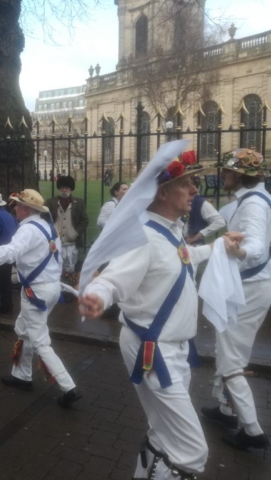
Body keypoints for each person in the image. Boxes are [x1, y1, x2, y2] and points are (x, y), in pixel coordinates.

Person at [79, 152, 242, 479]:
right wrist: (97, 295)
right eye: (187, 183)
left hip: (171, 349)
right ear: (164, 192)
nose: (195, 191)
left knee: (162, 432)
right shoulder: (143, 237)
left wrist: (217, 247)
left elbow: (184, 256)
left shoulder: (168, 230)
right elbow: (112, 278)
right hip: (153, 351)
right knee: (193, 451)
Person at [0, 189, 82, 407]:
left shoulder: (27, 230)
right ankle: (22, 375)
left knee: (39, 339)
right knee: (25, 329)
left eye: (16, 205)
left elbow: (11, 252)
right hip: (50, 288)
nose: (14, 209)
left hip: (36, 291)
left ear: (25, 209)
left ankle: (68, 387)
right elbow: (58, 259)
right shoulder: (49, 228)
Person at [201, 148, 271, 450]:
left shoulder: (254, 204)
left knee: (231, 361)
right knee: (223, 348)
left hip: (250, 289)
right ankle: (227, 411)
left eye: (227, 172)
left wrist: (239, 252)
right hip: (247, 287)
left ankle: (252, 431)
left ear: (240, 175)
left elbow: (255, 245)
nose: (222, 176)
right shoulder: (253, 199)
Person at [46, 175, 88, 293]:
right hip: (55, 241)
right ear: (59, 188)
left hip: (71, 241)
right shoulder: (51, 202)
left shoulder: (78, 202)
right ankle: (55, 289)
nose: (65, 190)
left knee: (70, 266)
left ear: (71, 189)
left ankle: (68, 290)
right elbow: (45, 219)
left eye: (67, 188)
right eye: (63, 187)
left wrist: (76, 233)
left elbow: (84, 220)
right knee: (54, 266)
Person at [183, 172, 225, 246]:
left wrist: (200, 234)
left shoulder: (200, 203)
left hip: (194, 246)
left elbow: (219, 221)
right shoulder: (176, 202)